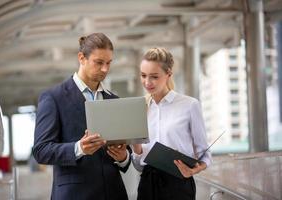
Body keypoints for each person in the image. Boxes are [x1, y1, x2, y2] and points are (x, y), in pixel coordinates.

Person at [32, 33, 131, 200]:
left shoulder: (114, 100)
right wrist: (78, 148)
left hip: (113, 193)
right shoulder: (54, 97)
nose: (105, 69)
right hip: (73, 195)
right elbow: (41, 151)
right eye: (99, 62)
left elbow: (124, 153)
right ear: (81, 58)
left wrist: (123, 157)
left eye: (108, 63)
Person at [132, 47, 212, 200]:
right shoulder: (140, 109)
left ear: (168, 74)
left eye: (154, 77)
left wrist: (192, 171)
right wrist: (136, 148)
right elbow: (139, 165)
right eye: (143, 75)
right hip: (147, 184)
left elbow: (205, 154)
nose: (147, 82)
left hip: (179, 183)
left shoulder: (190, 105)